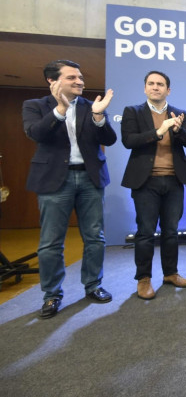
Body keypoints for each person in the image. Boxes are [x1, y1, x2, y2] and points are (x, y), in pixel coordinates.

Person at [22, 59, 117, 318]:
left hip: (90, 178)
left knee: (95, 238)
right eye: (72, 77)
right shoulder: (35, 106)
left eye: (80, 77)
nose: (79, 82)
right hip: (55, 180)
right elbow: (36, 134)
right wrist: (60, 110)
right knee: (51, 243)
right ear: (53, 81)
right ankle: (52, 295)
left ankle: (93, 285)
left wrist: (99, 117)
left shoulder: (91, 106)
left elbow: (109, 139)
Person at [121, 71, 186, 299]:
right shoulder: (133, 112)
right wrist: (159, 131)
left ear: (168, 90)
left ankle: (171, 273)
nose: (156, 87)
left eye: (160, 84)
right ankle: (143, 279)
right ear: (145, 88)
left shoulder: (180, 114)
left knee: (171, 232)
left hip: (174, 181)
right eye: (151, 84)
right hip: (145, 182)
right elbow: (128, 141)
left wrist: (178, 130)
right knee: (145, 233)